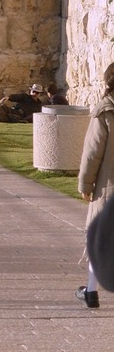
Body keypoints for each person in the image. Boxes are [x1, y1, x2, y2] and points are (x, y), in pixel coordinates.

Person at [75, 62, 114, 308]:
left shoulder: (105, 110)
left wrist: (85, 184)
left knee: (100, 239)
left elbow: (92, 153)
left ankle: (91, 291)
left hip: (108, 187)